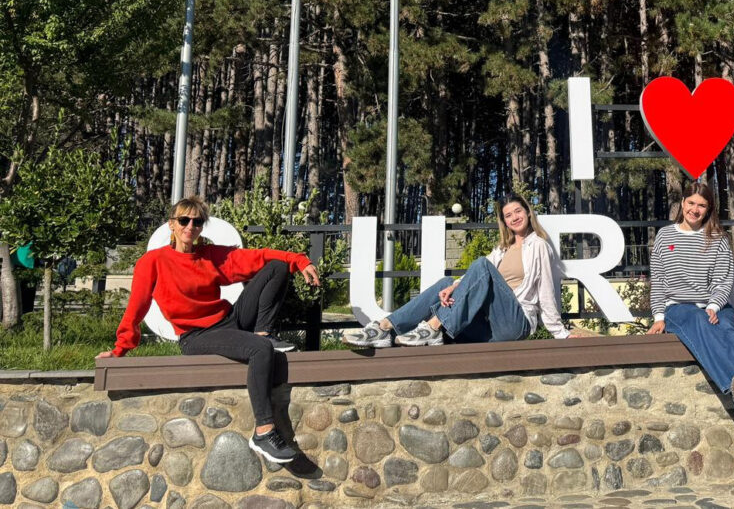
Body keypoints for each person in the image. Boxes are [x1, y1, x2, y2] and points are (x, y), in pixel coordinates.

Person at [98, 196, 320, 463]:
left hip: (229, 320)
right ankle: (264, 431)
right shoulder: (153, 262)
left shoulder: (211, 256)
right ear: (172, 224)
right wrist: (119, 350)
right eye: (184, 220)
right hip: (196, 336)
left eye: (197, 222)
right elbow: (137, 307)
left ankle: (263, 332)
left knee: (277, 267)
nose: (190, 226)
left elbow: (257, 257)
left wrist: (300, 261)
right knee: (260, 350)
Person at [346, 194, 577, 347]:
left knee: (481, 265)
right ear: (504, 222)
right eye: (508, 215)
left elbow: (546, 289)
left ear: (527, 212)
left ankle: (433, 327)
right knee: (446, 284)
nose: (514, 217)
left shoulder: (538, 246)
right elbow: (473, 279)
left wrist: (560, 332)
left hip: (515, 324)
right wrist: (455, 286)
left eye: (518, 211)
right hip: (488, 327)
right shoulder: (502, 249)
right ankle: (385, 328)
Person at [648, 182, 734, 425]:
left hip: (715, 305)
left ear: (709, 209)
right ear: (682, 203)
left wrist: (714, 306)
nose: (695, 209)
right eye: (691, 203)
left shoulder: (718, 239)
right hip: (678, 307)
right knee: (698, 320)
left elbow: (724, 280)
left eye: (701, 205)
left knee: (730, 330)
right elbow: (658, 280)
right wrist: (659, 316)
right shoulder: (665, 235)